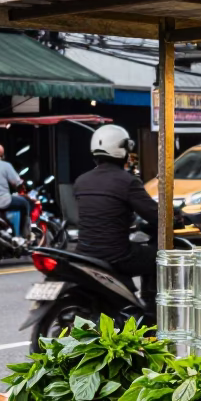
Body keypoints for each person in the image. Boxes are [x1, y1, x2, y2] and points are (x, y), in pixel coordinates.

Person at [74, 125, 159, 310]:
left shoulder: (81, 181)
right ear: (121, 152)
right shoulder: (127, 181)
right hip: (116, 256)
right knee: (158, 256)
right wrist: (178, 218)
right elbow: (155, 215)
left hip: (84, 254)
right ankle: (151, 308)